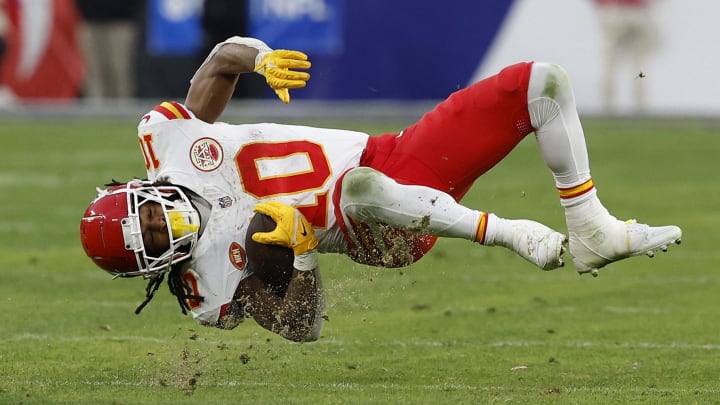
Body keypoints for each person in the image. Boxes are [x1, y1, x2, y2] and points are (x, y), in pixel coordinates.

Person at [79, 36, 682, 342]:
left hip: (398, 153)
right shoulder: (206, 289)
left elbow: (218, 63)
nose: (167, 225)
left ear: (141, 191)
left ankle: (591, 228)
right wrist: (305, 258)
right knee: (362, 189)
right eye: (154, 239)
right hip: (381, 231)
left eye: (151, 216)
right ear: (146, 265)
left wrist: (259, 58)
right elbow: (299, 327)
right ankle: (512, 234)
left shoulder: (170, 143)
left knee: (541, 84)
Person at [593, 0, 661, 113]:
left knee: (609, 63)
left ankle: (606, 110)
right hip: (640, 13)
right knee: (640, 64)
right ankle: (641, 109)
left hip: (613, 11)